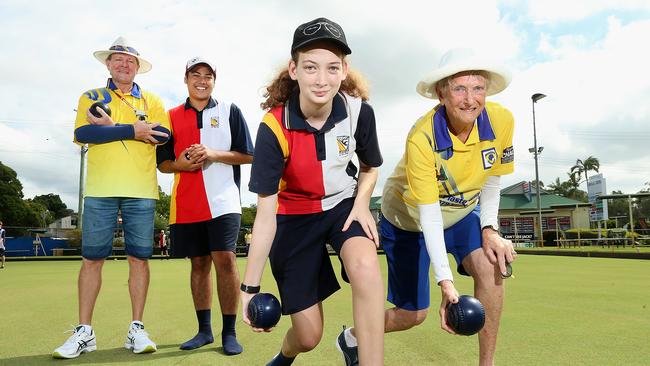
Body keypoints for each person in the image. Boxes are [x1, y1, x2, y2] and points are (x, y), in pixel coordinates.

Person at [345, 48, 516, 366]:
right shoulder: (421, 137)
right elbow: (430, 216)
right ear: (441, 93)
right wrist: (446, 283)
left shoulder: (502, 120)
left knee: (492, 264)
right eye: (459, 88)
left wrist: (489, 228)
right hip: (409, 220)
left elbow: (492, 179)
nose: (470, 99)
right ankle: (353, 337)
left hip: (464, 212)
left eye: (478, 87)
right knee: (413, 315)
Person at [241, 17, 385, 366]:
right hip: (293, 218)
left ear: (344, 69)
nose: (322, 79)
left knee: (366, 267)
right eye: (310, 67)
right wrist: (249, 289)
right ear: (293, 69)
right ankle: (285, 354)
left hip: (342, 206)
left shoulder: (359, 112)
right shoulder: (273, 127)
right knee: (308, 336)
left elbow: (371, 167)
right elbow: (265, 215)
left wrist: (363, 203)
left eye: (332, 68)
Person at [53, 36, 170, 359]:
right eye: (117, 59)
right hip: (101, 191)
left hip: (141, 191)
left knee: (139, 259)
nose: (123, 64)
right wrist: (133, 130)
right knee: (92, 259)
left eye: (130, 61)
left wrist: (115, 126)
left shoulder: (152, 100)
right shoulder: (92, 96)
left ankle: (137, 328)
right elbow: (84, 133)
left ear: (137, 67)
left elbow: (163, 135)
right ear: (108, 63)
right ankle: (84, 332)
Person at [156, 56, 254, 355]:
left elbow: (248, 155)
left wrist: (212, 153)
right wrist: (181, 165)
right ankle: (204, 331)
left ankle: (229, 332)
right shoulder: (170, 115)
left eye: (208, 75)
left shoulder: (230, 111)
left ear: (215, 79)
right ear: (185, 78)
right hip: (187, 203)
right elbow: (163, 164)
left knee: (225, 260)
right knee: (198, 264)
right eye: (195, 74)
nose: (202, 79)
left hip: (224, 200)